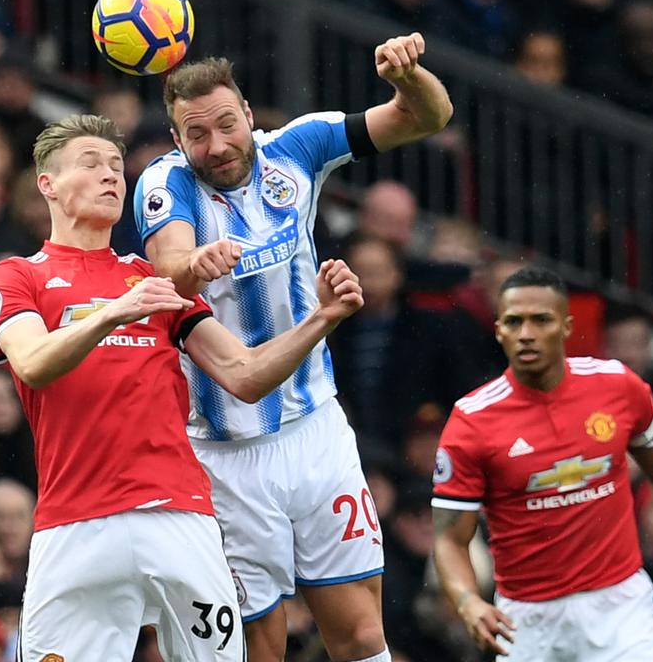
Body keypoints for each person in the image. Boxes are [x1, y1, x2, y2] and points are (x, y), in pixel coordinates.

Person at [0, 114, 365, 661]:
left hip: (179, 517)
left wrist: (321, 319)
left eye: (117, 167)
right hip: (74, 522)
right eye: (91, 165)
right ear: (48, 184)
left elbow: (244, 375)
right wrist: (114, 312)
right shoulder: (19, 276)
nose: (111, 177)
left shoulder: (154, 281)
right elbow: (33, 362)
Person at [135, 36, 451, 662]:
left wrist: (408, 77)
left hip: (315, 432)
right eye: (197, 135)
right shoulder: (164, 184)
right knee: (259, 643)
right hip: (222, 455)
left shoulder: (299, 147)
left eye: (227, 124)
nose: (217, 145)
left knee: (361, 633)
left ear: (249, 114)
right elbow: (164, 267)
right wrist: (194, 261)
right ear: (177, 142)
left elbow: (430, 116)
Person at [431, 266, 653, 660]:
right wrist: (468, 602)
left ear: (566, 325)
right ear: (498, 331)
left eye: (540, 320)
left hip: (620, 606)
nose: (526, 333)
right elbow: (449, 538)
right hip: (527, 619)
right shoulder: (471, 421)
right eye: (514, 321)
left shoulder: (619, 387)